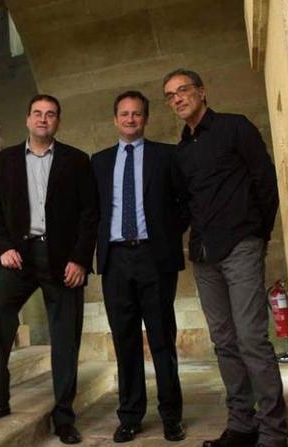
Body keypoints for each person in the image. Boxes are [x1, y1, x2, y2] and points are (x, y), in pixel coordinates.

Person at [163, 69, 288, 447]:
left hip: (240, 246)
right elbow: (186, 206)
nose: (178, 99)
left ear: (202, 91)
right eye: (170, 95)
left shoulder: (235, 127)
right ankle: (242, 425)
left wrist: (256, 234)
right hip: (203, 255)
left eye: (183, 90)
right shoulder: (181, 149)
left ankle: (273, 434)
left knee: (252, 339)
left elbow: (266, 182)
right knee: (225, 342)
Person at [0, 94, 99, 445]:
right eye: (38, 114)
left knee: (65, 338)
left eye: (51, 115)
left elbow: (90, 215)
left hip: (62, 260)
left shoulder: (76, 160)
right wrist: (4, 249)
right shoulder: (4, 160)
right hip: (19, 257)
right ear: (28, 119)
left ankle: (64, 416)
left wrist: (80, 260)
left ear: (58, 121)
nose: (44, 119)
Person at [91, 91, 189, 443]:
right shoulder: (99, 162)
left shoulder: (167, 156)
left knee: (162, 339)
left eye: (137, 114)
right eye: (124, 114)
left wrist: (164, 234)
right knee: (125, 340)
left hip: (155, 258)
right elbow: (93, 213)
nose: (130, 119)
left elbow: (184, 204)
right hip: (116, 260)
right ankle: (130, 416)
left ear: (145, 119)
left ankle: (171, 416)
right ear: (115, 119)